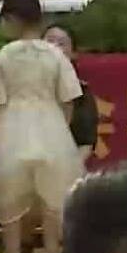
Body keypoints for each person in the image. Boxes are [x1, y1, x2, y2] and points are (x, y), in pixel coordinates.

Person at [0, 0, 85, 253]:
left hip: (12, 129)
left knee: (11, 196)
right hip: (51, 128)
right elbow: (69, 99)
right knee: (52, 197)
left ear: (13, 19)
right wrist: (61, 128)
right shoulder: (55, 55)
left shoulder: (5, 55)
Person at [44, 24, 99, 166]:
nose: (54, 47)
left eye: (61, 44)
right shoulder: (23, 88)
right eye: (49, 41)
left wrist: (69, 168)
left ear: (73, 54)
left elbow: (86, 143)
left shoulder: (81, 94)